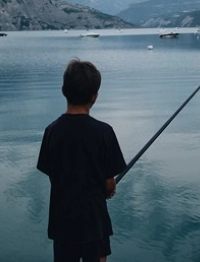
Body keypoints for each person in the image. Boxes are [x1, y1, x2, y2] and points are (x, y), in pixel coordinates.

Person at [37, 59, 127, 262]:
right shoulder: (104, 132)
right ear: (95, 96)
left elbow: (53, 175)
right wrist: (109, 190)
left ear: (63, 90)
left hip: (62, 224)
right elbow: (109, 183)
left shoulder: (51, 131)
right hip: (94, 223)